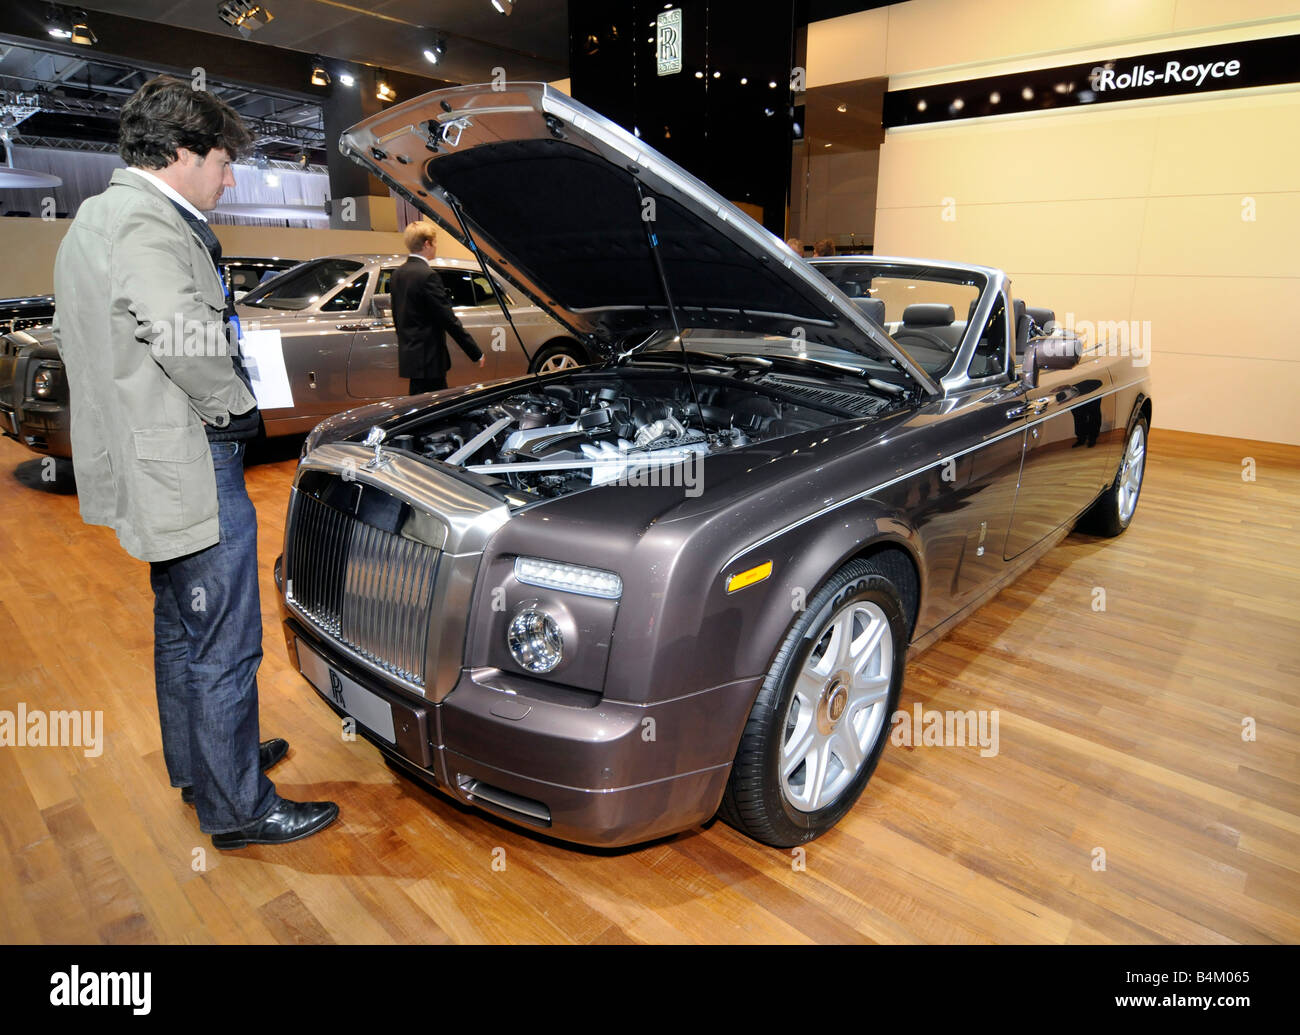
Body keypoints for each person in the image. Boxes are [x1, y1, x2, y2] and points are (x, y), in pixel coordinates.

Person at [51, 75, 338, 850]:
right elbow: (176, 329)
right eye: (221, 161)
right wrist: (233, 404)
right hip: (187, 459)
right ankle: (239, 806)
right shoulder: (148, 223)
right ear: (181, 154)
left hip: (147, 461)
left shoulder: (96, 217)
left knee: (182, 626)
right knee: (227, 640)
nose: (229, 177)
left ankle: (206, 765)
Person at [391, 219, 485, 393]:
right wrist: (475, 352)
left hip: (411, 356)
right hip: (430, 358)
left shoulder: (397, 274)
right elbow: (448, 319)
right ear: (427, 244)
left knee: (418, 407)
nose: (436, 246)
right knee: (436, 409)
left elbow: (397, 317)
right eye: (435, 242)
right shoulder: (428, 276)